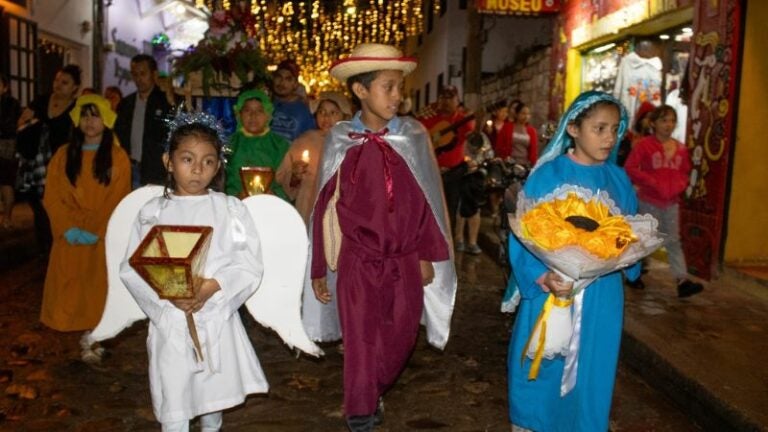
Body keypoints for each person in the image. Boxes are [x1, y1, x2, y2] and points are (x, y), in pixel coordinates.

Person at [309, 43, 457, 431]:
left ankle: (370, 391)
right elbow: (324, 205)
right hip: (358, 260)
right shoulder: (341, 139)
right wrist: (318, 267)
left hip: (405, 259)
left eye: (399, 87)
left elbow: (428, 201)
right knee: (359, 342)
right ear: (360, 90)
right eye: (388, 87)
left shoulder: (413, 135)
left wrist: (426, 254)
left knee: (402, 338)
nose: (398, 96)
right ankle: (360, 412)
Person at [119, 113, 268, 431]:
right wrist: (167, 300)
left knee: (211, 398)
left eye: (208, 161)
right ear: (168, 161)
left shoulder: (229, 210)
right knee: (175, 398)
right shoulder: (153, 213)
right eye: (187, 159)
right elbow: (133, 268)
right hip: (171, 323)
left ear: (217, 166)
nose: (197, 169)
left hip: (214, 317)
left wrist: (213, 285)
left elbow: (247, 261)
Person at [507, 91, 641, 432]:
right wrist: (541, 275)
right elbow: (523, 233)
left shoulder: (619, 179)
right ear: (574, 129)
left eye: (614, 129)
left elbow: (630, 230)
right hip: (553, 290)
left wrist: (627, 256)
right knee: (544, 362)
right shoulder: (547, 175)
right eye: (599, 128)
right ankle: (535, 423)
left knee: (593, 364)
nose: (609, 138)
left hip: (601, 293)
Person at [40, 95, 131, 350]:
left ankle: (97, 337)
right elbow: (52, 196)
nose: (90, 121)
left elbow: (117, 198)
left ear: (106, 120)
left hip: (100, 236)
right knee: (70, 288)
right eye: (85, 115)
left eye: (96, 115)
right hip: (69, 234)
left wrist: (97, 230)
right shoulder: (62, 155)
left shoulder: (118, 157)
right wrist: (66, 227)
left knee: (97, 289)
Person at [624, 105, 703, 298]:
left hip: (671, 201)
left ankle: (682, 280)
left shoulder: (681, 149)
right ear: (653, 123)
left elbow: (685, 172)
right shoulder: (644, 145)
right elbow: (630, 167)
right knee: (644, 238)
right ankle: (633, 273)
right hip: (649, 200)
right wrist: (650, 181)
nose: (668, 125)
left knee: (674, 240)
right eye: (663, 120)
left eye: (672, 120)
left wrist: (680, 185)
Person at [16, 64, 81, 255]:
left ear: (75, 87)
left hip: (62, 163)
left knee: (57, 204)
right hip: (36, 163)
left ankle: (58, 242)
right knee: (38, 203)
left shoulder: (77, 107)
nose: (58, 85)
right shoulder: (41, 101)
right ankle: (44, 244)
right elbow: (22, 122)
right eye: (57, 80)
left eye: (65, 82)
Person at [275, 91, 352, 225]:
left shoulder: (350, 144)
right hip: (308, 205)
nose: (326, 117)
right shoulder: (304, 140)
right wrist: (295, 176)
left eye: (333, 113)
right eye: (321, 112)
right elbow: (283, 176)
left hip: (339, 209)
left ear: (344, 116)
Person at [417, 85, 475, 232]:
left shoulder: (463, 120)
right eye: (443, 97)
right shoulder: (429, 118)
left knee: (450, 209)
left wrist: (477, 121)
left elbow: (473, 137)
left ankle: (447, 246)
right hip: (430, 171)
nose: (446, 101)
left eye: (450, 98)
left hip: (453, 172)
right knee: (427, 208)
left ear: (457, 101)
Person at [114, 54, 175, 188]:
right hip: (131, 167)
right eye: (135, 74)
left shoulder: (165, 102)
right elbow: (118, 132)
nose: (138, 79)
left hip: (156, 170)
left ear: (154, 74)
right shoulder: (126, 104)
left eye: (143, 73)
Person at [224, 89, 291, 201]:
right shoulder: (228, 144)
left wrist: (295, 177)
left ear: (268, 115)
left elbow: (287, 182)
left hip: (271, 204)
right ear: (239, 114)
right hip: (235, 203)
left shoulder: (279, 145)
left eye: (259, 111)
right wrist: (235, 197)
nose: (253, 115)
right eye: (247, 110)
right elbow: (219, 180)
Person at [270, 59, 315, 142]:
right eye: (279, 77)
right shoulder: (264, 105)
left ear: (295, 84)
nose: (282, 82)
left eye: (288, 79)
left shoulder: (304, 111)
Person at [0, 74, 21, 229]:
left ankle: (7, 218)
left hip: (6, 145)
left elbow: (11, 125)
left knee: (6, 182)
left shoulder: (11, 104)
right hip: (7, 143)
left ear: (5, 87)